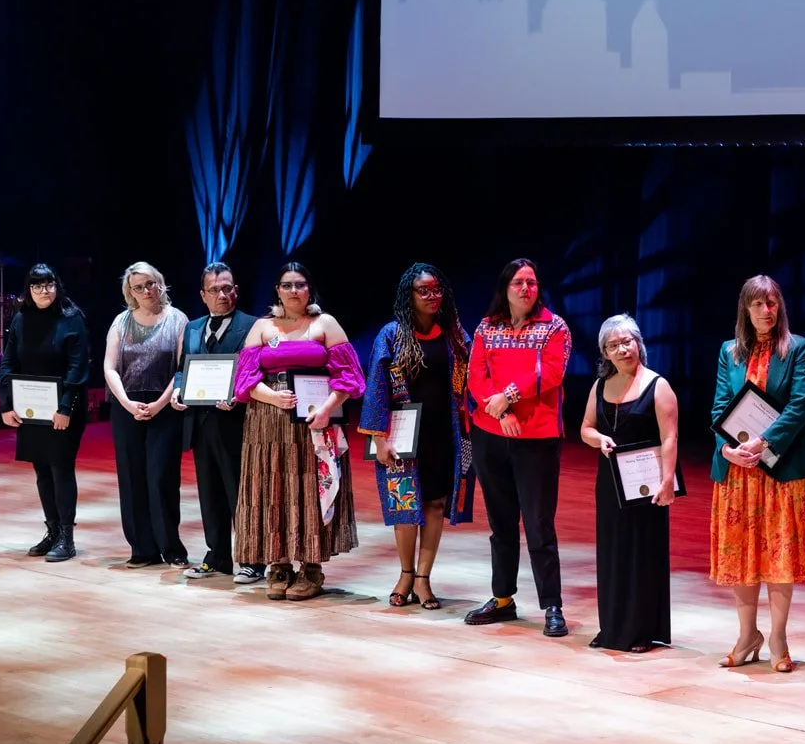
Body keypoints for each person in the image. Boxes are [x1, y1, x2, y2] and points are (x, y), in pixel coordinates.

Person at [232, 262, 365, 601]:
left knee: (309, 487)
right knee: (271, 486)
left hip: (314, 420)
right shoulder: (263, 327)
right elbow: (244, 379)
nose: (294, 290)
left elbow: (349, 376)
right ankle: (278, 564)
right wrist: (273, 397)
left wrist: (327, 409)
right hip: (267, 421)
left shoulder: (325, 324)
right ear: (277, 290)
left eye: (300, 284)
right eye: (287, 285)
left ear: (309, 290)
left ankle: (310, 567)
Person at [709, 274, 805, 674]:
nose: (766, 310)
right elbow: (720, 407)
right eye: (757, 304)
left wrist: (764, 442)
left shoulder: (798, 348)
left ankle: (777, 638)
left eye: (772, 303)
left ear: (780, 306)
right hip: (739, 470)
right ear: (746, 308)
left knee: (779, 555)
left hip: (781, 467)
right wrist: (727, 449)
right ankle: (746, 636)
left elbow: (799, 406)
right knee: (741, 555)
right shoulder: (729, 351)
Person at [463, 257, 573, 636]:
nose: (526, 288)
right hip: (490, 433)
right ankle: (503, 599)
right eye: (518, 282)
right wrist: (500, 413)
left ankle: (552, 604)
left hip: (537, 438)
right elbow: (475, 376)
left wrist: (508, 397)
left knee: (539, 524)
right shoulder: (486, 327)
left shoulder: (554, 327)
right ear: (505, 288)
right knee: (501, 523)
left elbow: (551, 372)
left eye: (532, 282)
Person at [357, 263, 475, 609]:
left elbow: (471, 376)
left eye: (437, 290)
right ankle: (405, 573)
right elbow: (376, 388)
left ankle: (423, 578)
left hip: (444, 432)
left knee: (435, 503)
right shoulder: (392, 334)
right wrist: (379, 439)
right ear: (409, 295)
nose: (432, 296)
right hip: (403, 434)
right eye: (423, 290)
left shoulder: (454, 334)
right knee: (405, 504)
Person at [579, 313, 681, 652]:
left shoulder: (658, 385)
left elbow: (670, 437)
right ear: (605, 353)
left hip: (646, 485)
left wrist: (667, 480)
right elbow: (586, 428)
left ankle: (641, 631)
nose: (622, 350)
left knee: (641, 554)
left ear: (639, 344)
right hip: (610, 483)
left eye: (627, 342)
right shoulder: (600, 386)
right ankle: (611, 627)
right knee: (612, 553)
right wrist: (598, 439)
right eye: (614, 345)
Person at [169, 263, 259, 583]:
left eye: (227, 288)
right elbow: (183, 368)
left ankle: (252, 560)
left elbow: (257, 371)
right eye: (215, 290)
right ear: (202, 294)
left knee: (241, 494)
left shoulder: (253, 326)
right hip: (200, 422)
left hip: (236, 422)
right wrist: (178, 389)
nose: (222, 295)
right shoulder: (193, 328)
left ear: (236, 290)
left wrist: (239, 394)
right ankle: (217, 556)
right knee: (209, 493)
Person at [0, 264, 92, 562]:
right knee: (41, 469)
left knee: (60, 467)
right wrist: (5, 404)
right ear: (29, 290)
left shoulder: (72, 318)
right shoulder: (21, 319)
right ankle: (52, 531)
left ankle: (67, 538)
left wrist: (64, 408)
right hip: (31, 408)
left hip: (65, 408)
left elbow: (78, 367)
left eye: (49, 284)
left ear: (56, 286)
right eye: (37, 286)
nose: (44, 291)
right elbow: (8, 362)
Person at [103, 261, 189, 568]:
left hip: (164, 406)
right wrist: (127, 403)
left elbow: (182, 368)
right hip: (127, 406)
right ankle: (142, 549)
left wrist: (160, 404)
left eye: (150, 283)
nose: (146, 291)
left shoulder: (178, 319)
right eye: (138, 287)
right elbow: (109, 367)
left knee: (161, 477)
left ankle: (171, 547)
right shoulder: (121, 322)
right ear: (131, 292)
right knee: (131, 477)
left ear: (160, 283)